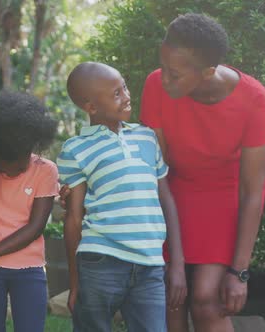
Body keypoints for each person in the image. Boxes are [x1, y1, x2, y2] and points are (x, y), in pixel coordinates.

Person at [140, 13, 265, 331]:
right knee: (171, 297)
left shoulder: (254, 99)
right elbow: (155, 172)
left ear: (208, 71)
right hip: (170, 194)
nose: (164, 79)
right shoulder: (156, 84)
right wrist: (176, 260)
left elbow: (252, 188)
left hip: (223, 198)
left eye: (175, 74)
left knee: (205, 298)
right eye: (164, 67)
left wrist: (239, 272)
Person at [57, 62, 186, 332]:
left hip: (150, 265)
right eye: (116, 93)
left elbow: (166, 201)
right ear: (91, 107)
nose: (127, 96)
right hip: (101, 261)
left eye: (124, 87)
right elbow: (74, 217)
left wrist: (177, 264)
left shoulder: (147, 138)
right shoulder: (76, 149)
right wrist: (75, 281)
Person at [0, 91, 59, 332]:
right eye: (9, 168)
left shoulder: (45, 170)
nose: (17, 172)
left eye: (23, 163)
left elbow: (35, 228)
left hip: (29, 270)